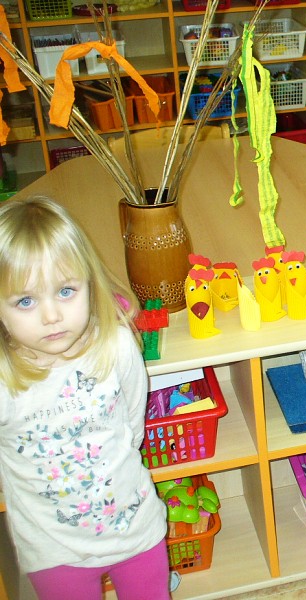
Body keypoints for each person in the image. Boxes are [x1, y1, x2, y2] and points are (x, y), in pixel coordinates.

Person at [0, 197, 169, 600]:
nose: (51, 317)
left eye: (65, 291)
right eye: (25, 301)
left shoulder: (117, 346)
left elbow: (132, 423)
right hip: (54, 550)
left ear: (90, 285)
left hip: (136, 529)